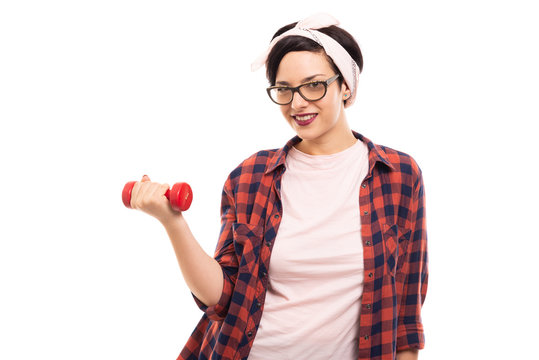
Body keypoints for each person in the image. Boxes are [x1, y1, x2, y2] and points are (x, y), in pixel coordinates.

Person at [128, 13, 428, 360]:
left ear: (346, 86)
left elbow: (407, 314)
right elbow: (221, 298)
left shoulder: (399, 176)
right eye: (284, 90)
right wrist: (172, 222)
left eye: (314, 85)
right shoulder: (250, 177)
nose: (297, 103)